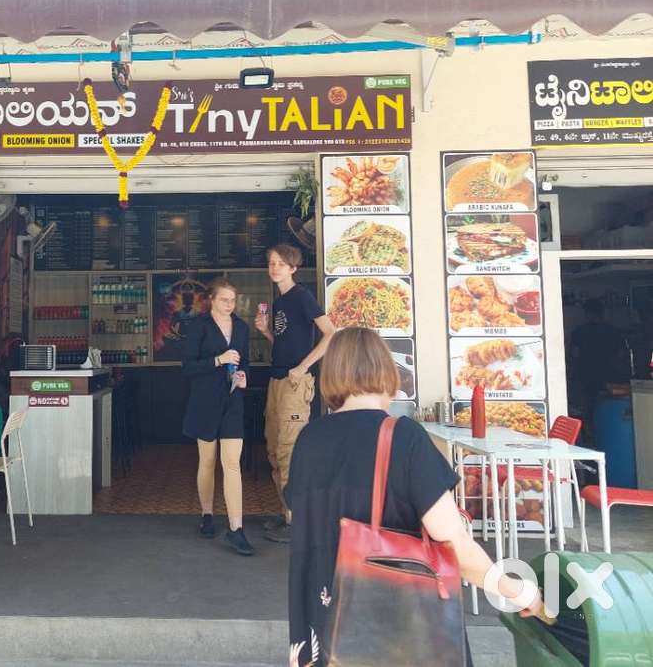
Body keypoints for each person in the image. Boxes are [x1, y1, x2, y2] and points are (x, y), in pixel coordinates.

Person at [286, 328, 544, 665]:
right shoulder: (404, 436)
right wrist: (516, 590)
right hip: (394, 632)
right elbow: (452, 541)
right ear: (386, 373)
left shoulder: (308, 439)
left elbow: (299, 513)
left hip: (321, 626)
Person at [254, 244, 335, 543]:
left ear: (293, 268)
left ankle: (297, 521)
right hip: (277, 381)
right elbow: (285, 343)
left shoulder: (302, 296)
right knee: (274, 450)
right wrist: (266, 332)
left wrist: (303, 367)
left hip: (295, 384)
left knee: (289, 451)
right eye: (271, 263)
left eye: (280, 263)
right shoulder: (279, 302)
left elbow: (331, 333)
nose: (274, 268)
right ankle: (287, 512)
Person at [181, 278, 253, 556]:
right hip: (205, 402)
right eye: (224, 299)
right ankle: (207, 514)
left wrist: (244, 375)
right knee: (208, 461)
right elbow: (187, 367)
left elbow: (245, 361)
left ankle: (236, 528)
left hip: (233, 401)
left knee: (232, 463)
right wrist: (217, 360)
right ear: (211, 299)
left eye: (232, 300)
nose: (229, 305)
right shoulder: (198, 326)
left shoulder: (242, 328)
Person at [570, 299, 631, 441]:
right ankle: (609, 436)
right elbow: (622, 354)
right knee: (610, 407)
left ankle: (591, 437)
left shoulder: (579, 332)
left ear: (586, 314)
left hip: (586, 375)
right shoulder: (614, 331)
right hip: (611, 377)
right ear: (602, 313)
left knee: (588, 409)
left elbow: (575, 354)